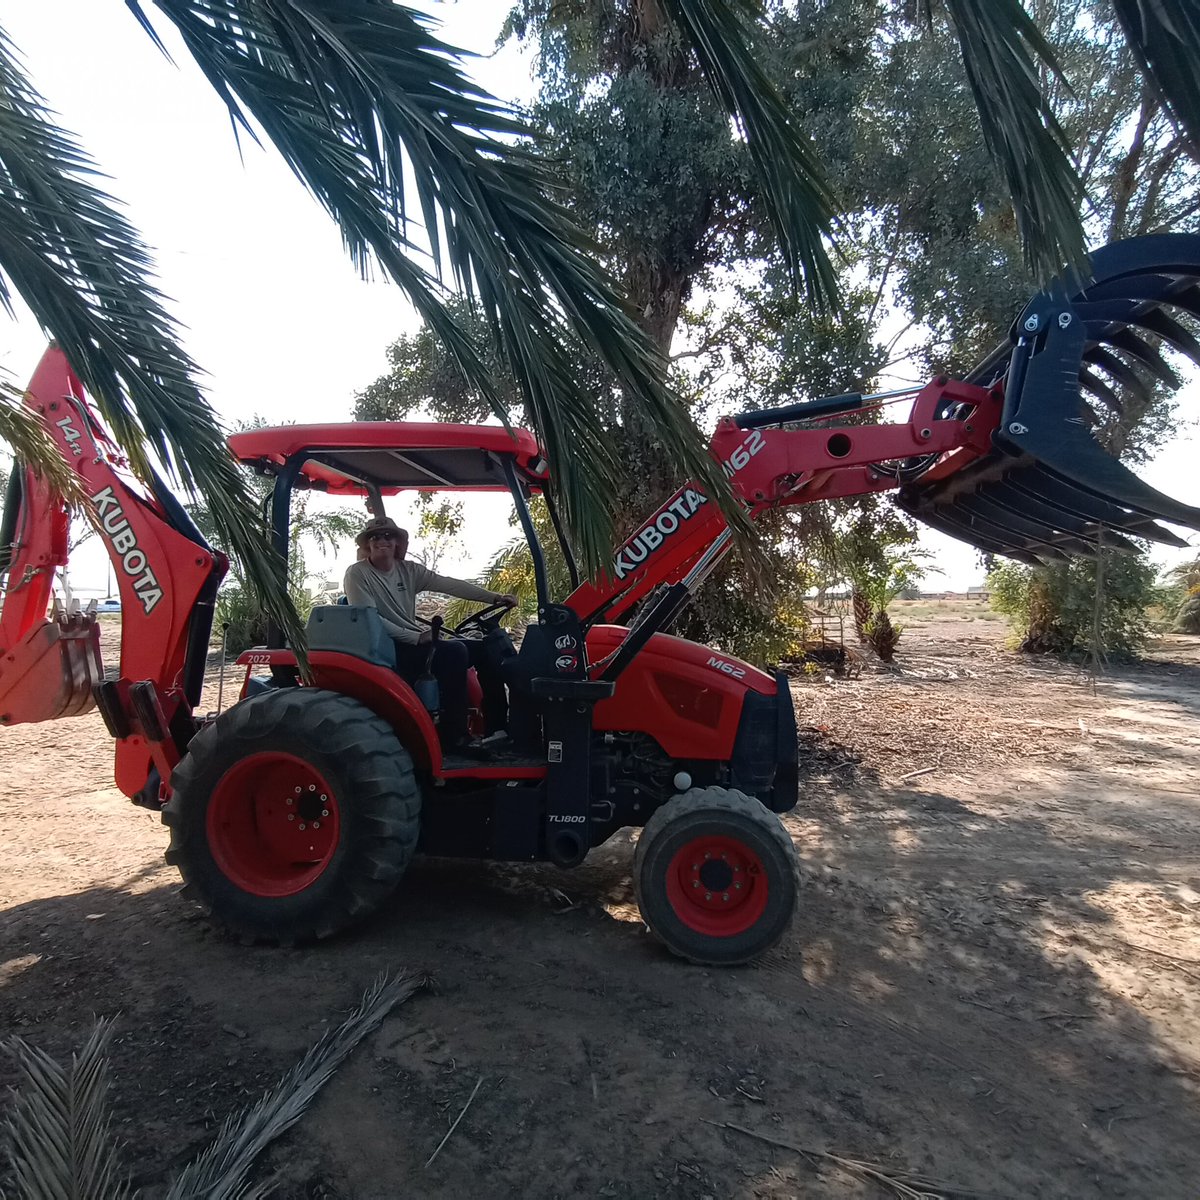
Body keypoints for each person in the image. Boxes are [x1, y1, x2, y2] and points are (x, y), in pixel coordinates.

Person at [342, 516, 517, 750]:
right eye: (374, 537)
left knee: (485, 648)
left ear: (397, 542)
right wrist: (415, 637)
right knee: (454, 652)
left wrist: (493, 597)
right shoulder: (357, 574)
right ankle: (453, 735)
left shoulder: (409, 570)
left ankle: (496, 728)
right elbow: (370, 618)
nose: (381, 540)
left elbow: (448, 584)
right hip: (387, 647)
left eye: (387, 535)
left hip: (412, 642)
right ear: (367, 545)